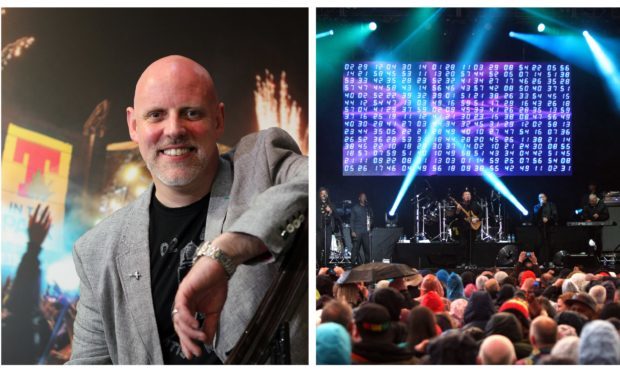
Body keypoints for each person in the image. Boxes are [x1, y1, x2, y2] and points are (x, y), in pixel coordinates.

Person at [69, 56, 308, 364]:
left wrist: (227, 252)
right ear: (133, 125)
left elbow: (315, 181)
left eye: (191, 113)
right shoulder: (96, 250)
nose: (174, 130)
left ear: (219, 119)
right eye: (156, 115)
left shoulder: (261, 161)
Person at [453, 190, 481, 267]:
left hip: (472, 228)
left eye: (469, 194)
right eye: (466, 194)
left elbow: (482, 213)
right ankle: (462, 263)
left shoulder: (475, 204)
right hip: (463, 228)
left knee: (471, 246)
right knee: (462, 245)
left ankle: (471, 263)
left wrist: (477, 219)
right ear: (463, 197)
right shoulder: (460, 205)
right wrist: (458, 210)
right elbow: (455, 216)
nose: (468, 195)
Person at [532, 193, 558, 265]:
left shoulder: (551, 205)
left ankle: (551, 261)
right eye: (540, 197)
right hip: (540, 229)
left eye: (543, 197)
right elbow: (535, 216)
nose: (541, 198)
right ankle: (539, 261)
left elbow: (555, 214)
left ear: (546, 197)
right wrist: (541, 206)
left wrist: (548, 219)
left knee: (551, 244)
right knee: (539, 244)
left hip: (550, 228)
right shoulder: (536, 206)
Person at [350, 192, 373, 265]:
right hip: (357, 231)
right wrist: (352, 231)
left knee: (367, 248)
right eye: (362, 197)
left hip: (366, 231)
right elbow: (352, 220)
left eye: (365, 197)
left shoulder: (368, 208)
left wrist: (370, 227)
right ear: (359, 198)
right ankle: (353, 264)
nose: (364, 198)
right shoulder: (355, 208)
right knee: (355, 249)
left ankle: (367, 264)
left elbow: (371, 218)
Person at [317, 187, 337, 267]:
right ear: (319, 195)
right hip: (319, 229)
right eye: (322, 194)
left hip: (328, 228)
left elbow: (336, 216)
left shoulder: (331, 204)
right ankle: (319, 262)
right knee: (318, 246)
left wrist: (331, 211)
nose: (324, 195)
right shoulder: (316, 204)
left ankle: (325, 264)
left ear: (327, 195)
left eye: (325, 194)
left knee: (327, 247)